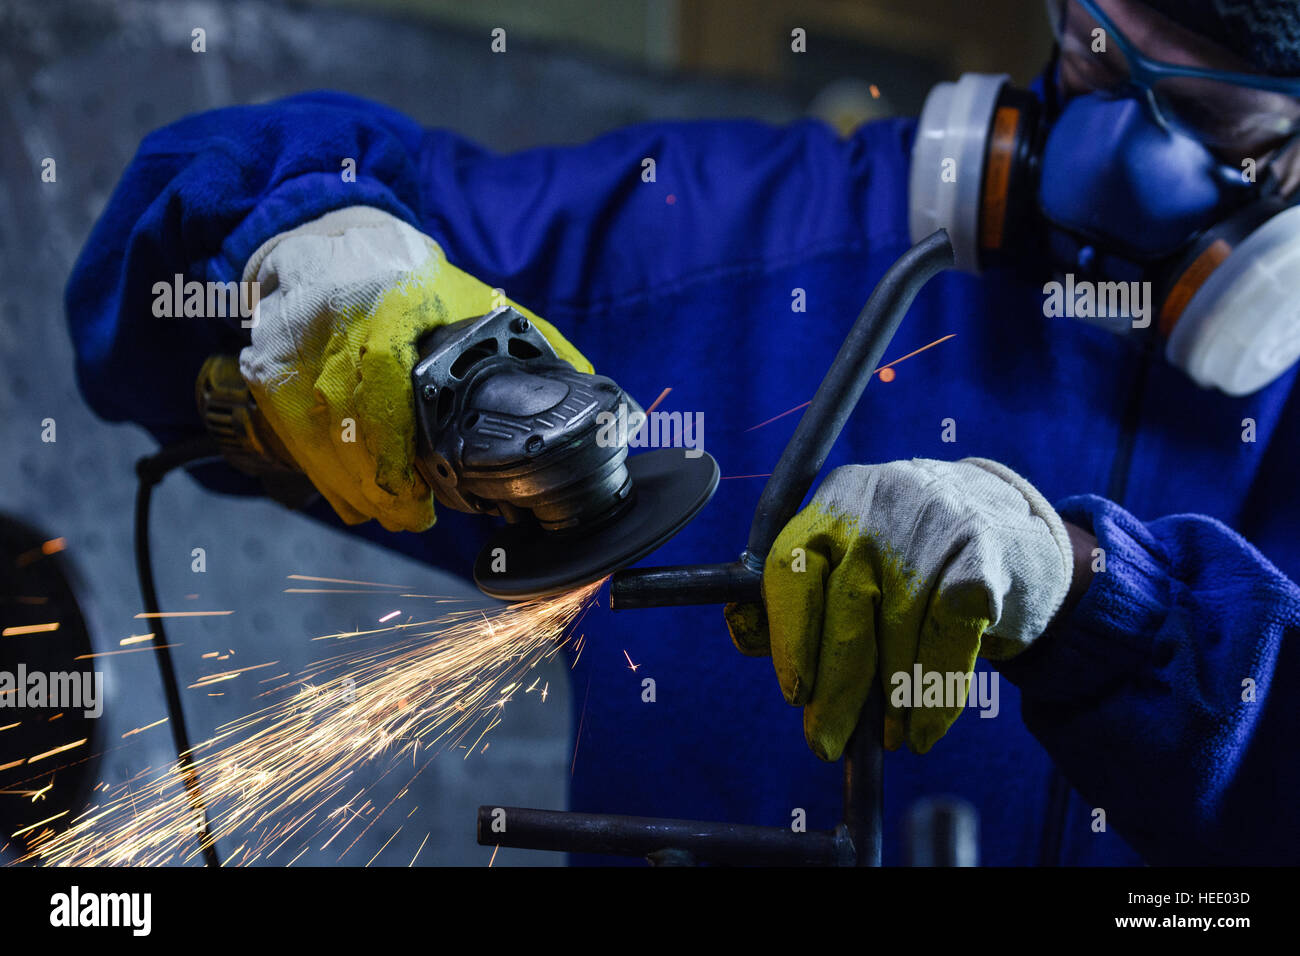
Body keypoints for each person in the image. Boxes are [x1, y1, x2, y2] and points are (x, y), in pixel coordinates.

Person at [67, 0, 1300, 864]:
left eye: (1204, 119)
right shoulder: (735, 239)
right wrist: (321, 251)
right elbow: (163, 270)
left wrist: (1095, 597)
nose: (1127, 156)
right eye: (1098, 57)